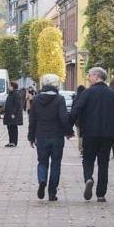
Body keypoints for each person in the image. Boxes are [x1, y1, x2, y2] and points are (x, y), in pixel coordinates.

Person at [68, 67, 114, 202]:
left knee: (87, 159)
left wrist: (68, 129)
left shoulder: (87, 93)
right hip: (107, 135)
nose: (88, 78)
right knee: (104, 163)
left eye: (90, 75)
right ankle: (101, 194)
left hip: (90, 133)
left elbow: (76, 110)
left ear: (97, 76)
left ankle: (88, 178)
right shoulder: (113, 94)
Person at [27, 73, 72, 201]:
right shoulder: (59, 99)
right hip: (57, 136)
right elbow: (63, 118)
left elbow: (33, 120)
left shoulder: (36, 100)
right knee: (56, 163)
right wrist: (69, 131)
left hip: (41, 135)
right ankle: (52, 193)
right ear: (55, 85)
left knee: (42, 162)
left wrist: (31, 137)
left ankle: (42, 180)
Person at [3, 81, 23, 147]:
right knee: (9, 128)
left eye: (9, 86)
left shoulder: (16, 94)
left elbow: (17, 105)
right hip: (8, 114)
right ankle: (11, 141)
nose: (8, 87)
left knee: (13, 128)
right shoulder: (11, 94)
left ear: (13, 86)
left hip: (13, 115)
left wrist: (14, 113)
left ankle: (14, 142)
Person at [73, 84, 86, 156]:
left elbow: (73, 111)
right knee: (85, 135)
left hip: (78, 121)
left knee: (80, 135)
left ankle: (81, 149)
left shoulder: (75, 99)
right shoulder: (86, 98)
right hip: (86, 120)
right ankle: (84, 148)